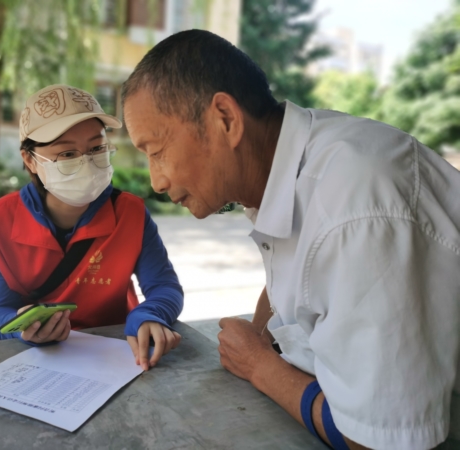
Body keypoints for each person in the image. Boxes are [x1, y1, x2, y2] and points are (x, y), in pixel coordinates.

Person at [121, 29, 460, 449]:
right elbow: (295, 269)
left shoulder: (355, 207)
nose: (156, 180)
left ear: (225, 119)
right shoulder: (285, 163)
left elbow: (379, 439)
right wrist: (259, 333)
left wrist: (260, 366)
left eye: (156, 151)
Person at [0, 84, 183, 371]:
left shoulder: (131, 214)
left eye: (97, 148)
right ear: (30, 160)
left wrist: (151, 314)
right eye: (67, 154)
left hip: (110, 356)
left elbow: (164, 286)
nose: (86, 162)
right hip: (28, 362)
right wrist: (19, 327)